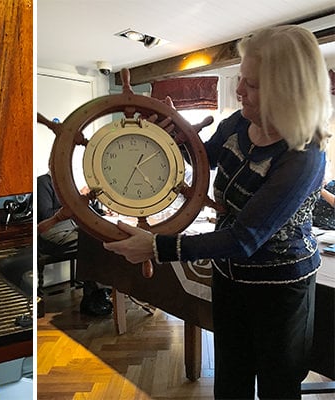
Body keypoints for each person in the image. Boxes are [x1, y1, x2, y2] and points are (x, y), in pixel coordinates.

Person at [103, 25, 332, 400]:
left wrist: (157, 247)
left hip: (281, 286)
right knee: (231, 373)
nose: (238, 90)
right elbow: (201, 161)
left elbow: (245, 238)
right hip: (229, 274)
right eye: (241, 78)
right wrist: (171, 137)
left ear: (288, 90)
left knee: (278, 383)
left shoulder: (304, 156)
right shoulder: (239, 123)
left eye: (252, 84)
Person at [37, 171, 113, 316]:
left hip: (71, 228)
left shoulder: (67, 187)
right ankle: (95, 296)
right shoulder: (43, 182)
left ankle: (96, 294)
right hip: (52, 233)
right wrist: (78, 201)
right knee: (93, 243)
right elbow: (45, 214)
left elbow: (81, 211)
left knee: (96, 241)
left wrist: (100, 210)